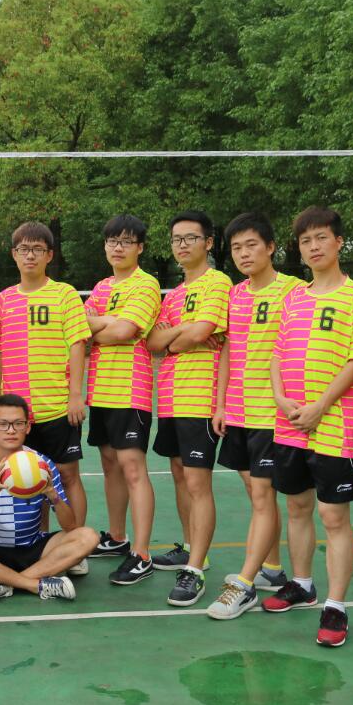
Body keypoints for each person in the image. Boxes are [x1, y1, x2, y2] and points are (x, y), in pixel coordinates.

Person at [262, 206, 353, 648]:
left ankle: (336, 605)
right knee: (297, 506)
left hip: (335, 423)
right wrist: (280, 398)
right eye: (305, 240)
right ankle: (302, 584)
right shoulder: (294, 297)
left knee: (333, 515)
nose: (313, 247)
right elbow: (277, 354)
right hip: (289, 421)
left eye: (321, 238)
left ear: (338, 242)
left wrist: (320, 406)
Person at [205, 212, 300, 620]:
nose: (244, 254)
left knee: (263, 496)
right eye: (237, 248)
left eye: (252, 245)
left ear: (271, 247)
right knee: (255, 493)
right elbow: (227, 350)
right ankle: (273, 569)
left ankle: (243, 585)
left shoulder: (294, 291)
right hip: (239, 412)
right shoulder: (236, 294)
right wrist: (221, 403)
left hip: (271, 414)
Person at [0, 222, 91, 572]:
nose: (30, 255)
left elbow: (77, 345)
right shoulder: (3, 300)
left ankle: (76, 546)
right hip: (19, 416)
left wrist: (76, 395)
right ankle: (44, 544)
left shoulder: (65, 294)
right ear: (14, 255)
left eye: (37, 249)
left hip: (57, 406)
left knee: (67, 476)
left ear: (49, 255)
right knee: (29, 479)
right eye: (23, 249)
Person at [147, 210, 232, 606]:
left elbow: (199, 333)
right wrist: (184, 335)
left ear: (208, 243)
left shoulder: (218, 283)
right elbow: (154, 343)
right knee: (180, 476)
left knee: (198, 484)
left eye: (190, 238)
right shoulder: (174, 294)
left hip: (201, 397)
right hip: (170, 398)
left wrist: (177, 336)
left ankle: (194, 570)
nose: (182, 245)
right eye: (176, 239)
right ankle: (190, 547)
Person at [0, 394, 99, 601]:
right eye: (3, 424)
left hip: (32, 549)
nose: (11, 430)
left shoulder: (42, 465)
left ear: (27, 427)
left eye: (18, 423)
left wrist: (52, 495)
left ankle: (6, 583)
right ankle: (34, 584)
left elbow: (71, 527)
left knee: (88, 536)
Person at [84, 214, 162, 585]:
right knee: (110, 465)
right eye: (113, 241)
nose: (118, 247)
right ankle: (117, 538)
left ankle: (142, 554)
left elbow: (125, 331)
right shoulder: (101, 287)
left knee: (133, 468)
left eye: (126, 241)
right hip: (99, 391)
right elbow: (81, 330)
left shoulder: (146, 284)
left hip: (130, 390)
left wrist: (102, 324)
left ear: (140, 248)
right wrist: (107, 323)